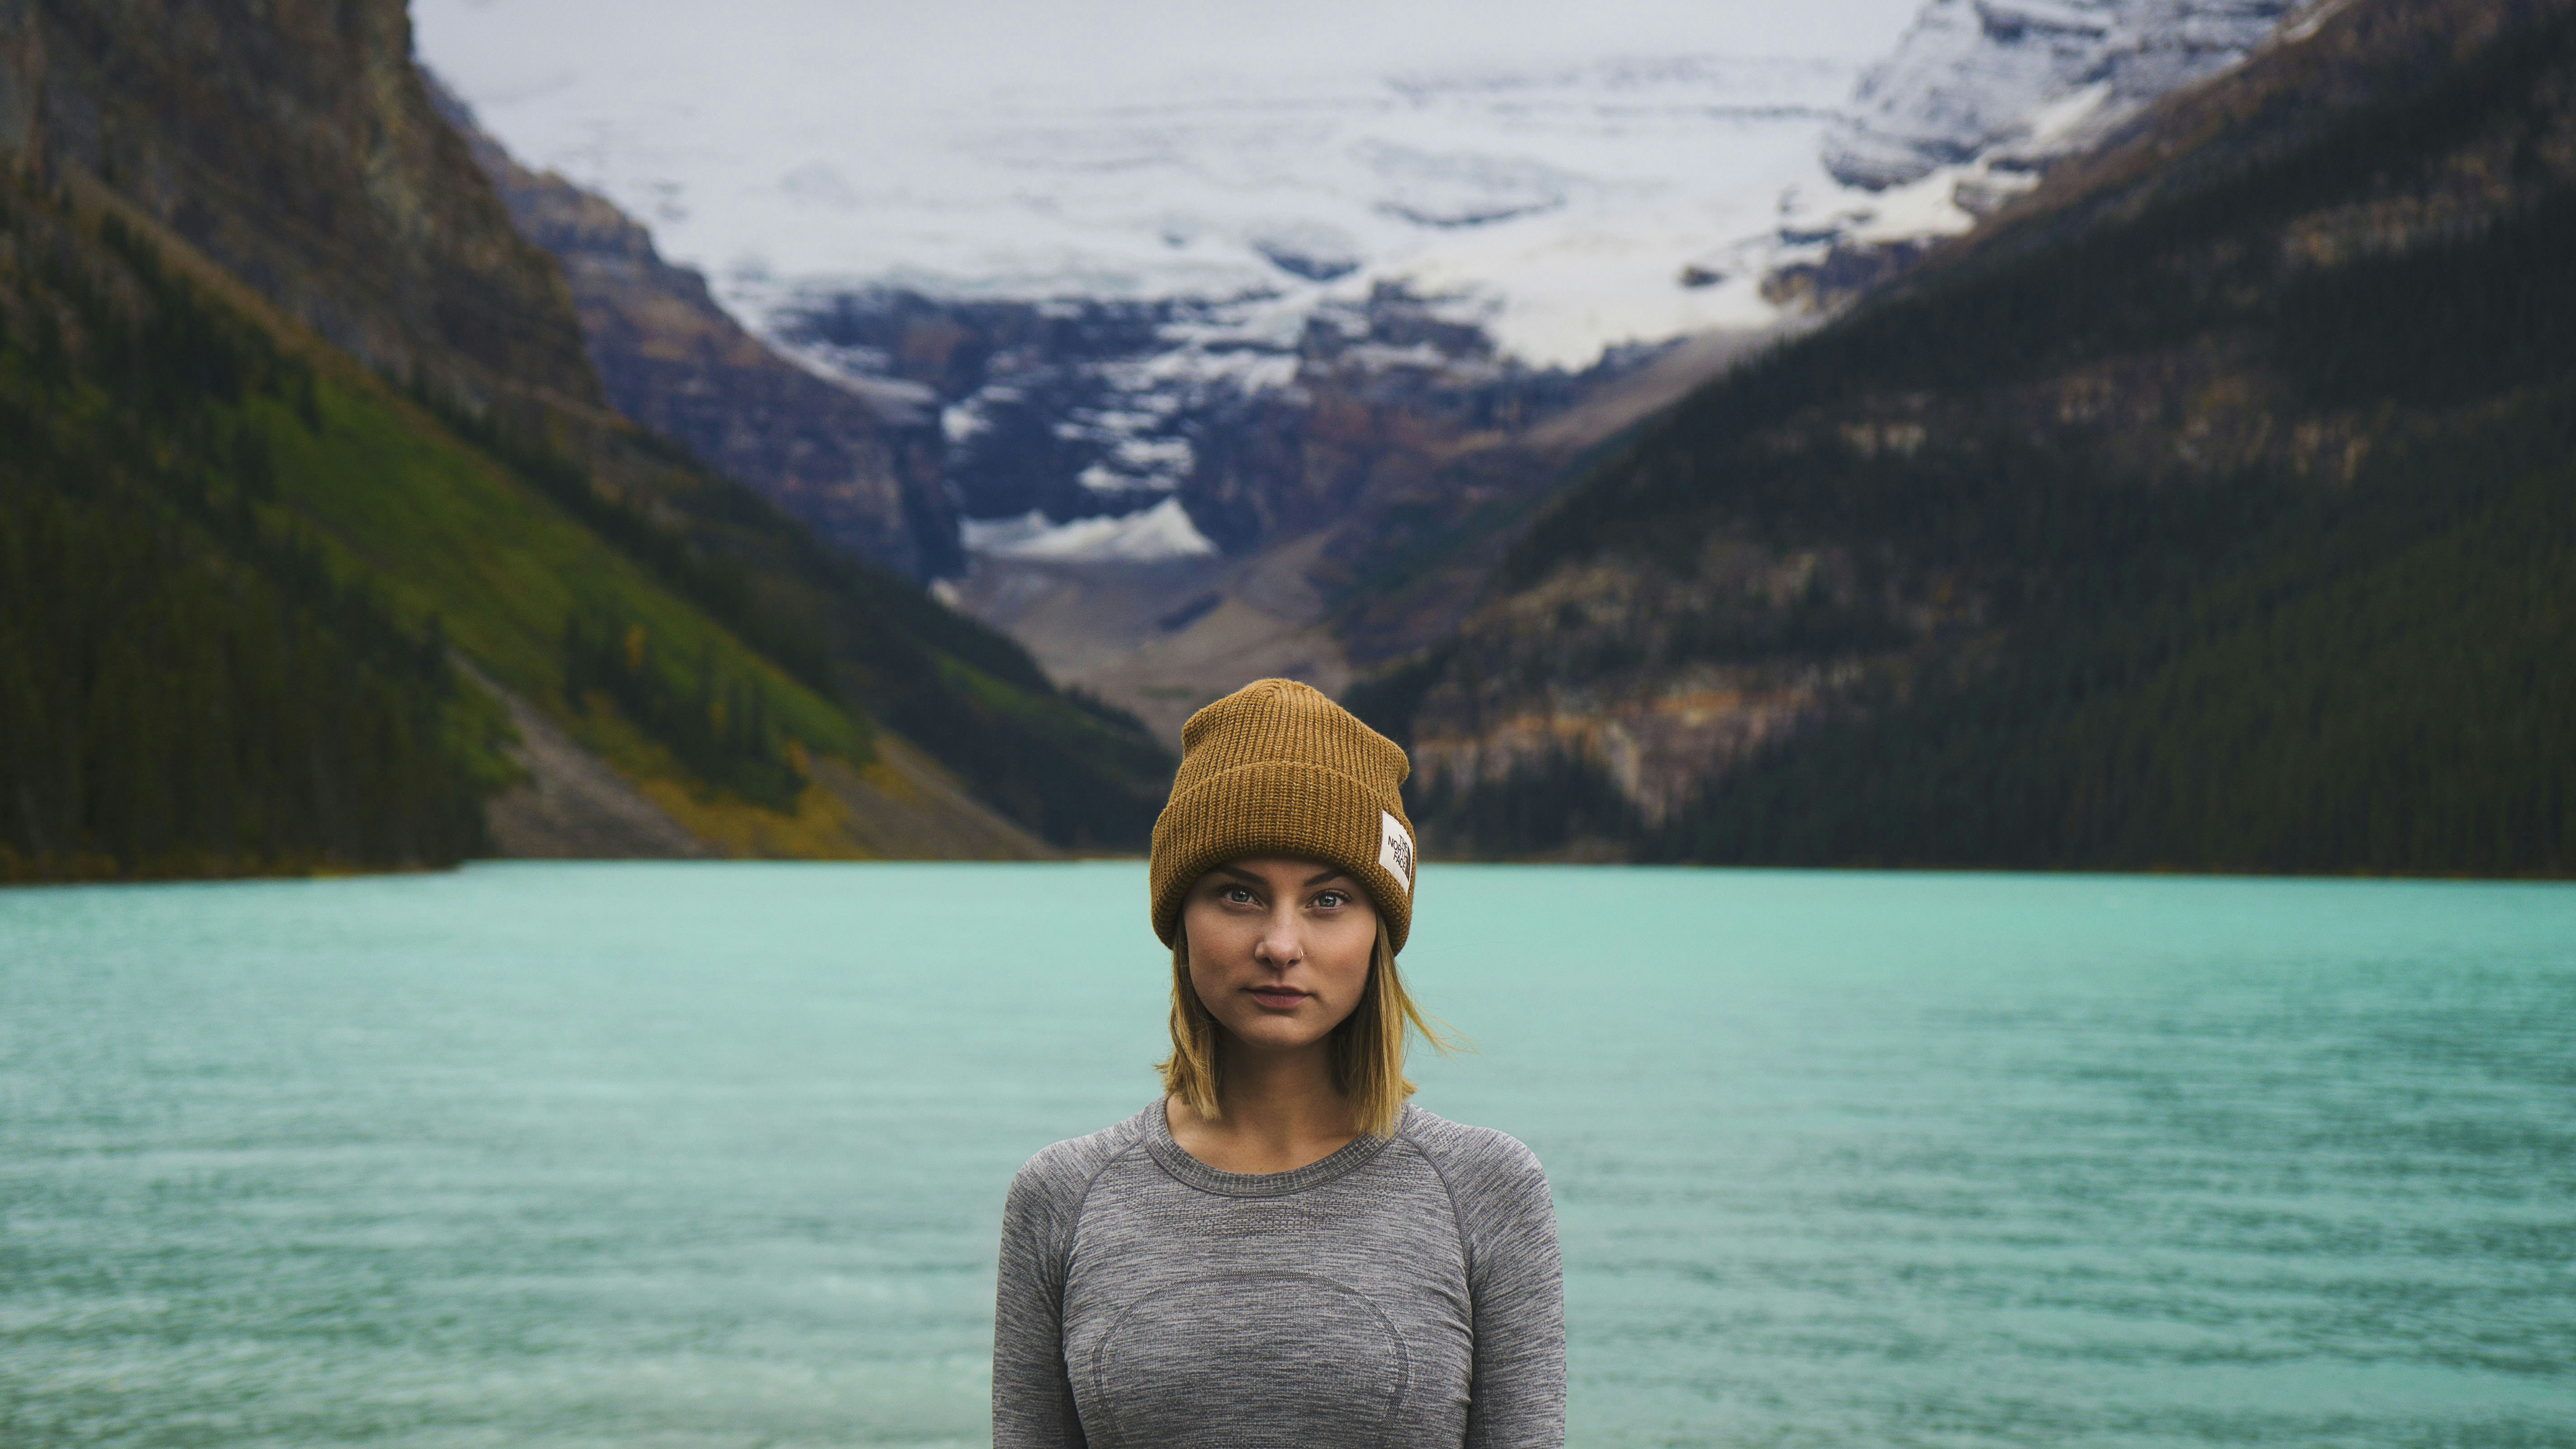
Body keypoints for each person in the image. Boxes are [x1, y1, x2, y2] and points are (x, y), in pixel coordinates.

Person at [991, 678, 1566, 1448]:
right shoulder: (1060, 1196)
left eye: (1328, 900)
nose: (1281, 945)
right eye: (1238, 894)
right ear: (1180, 921)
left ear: (1378, 933)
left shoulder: (1486, 1189)